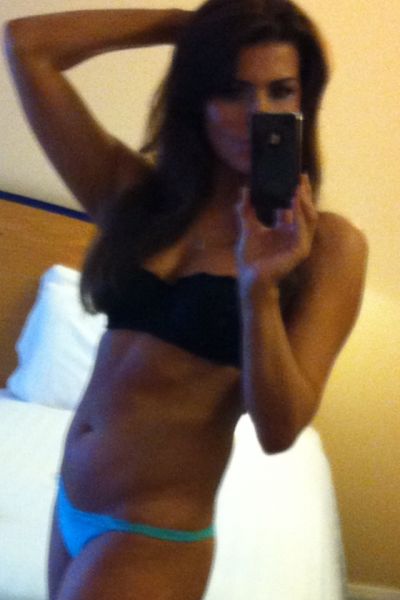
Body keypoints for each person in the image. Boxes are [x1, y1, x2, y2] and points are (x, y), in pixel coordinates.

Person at [5, 1, 368, 599]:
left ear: (306, 100)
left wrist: (258, 289)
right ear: (197, 97)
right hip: (69, 507)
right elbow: (26, 46)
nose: (259, 112)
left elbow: (280, 430)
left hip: (151, 536)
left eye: (280, 90)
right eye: (232, 90)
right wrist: (183, 26)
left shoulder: (327, 246)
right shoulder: (140, 201)